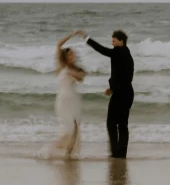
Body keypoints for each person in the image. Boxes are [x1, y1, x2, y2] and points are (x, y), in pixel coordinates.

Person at [77, 29, 134, 158]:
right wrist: (112, 88)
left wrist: (86, 38)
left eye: (114, 41)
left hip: (121, 94)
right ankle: (121, 153)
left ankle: (115, 152)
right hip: (127, 92)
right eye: (112, 41)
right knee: (122, 124)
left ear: (121, 41)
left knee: (111, 123)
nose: (112, 43)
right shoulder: (126, 52)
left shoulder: (118, 52)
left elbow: (101, 49)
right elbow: (124, 75)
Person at [49, 31, 86, 160]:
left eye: (73, 55)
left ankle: (69, 154)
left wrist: (75, 73)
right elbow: (59, 44)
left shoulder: (75, 69)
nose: (72, 56)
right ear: (65, 56)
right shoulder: (60, 66)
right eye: (70, 54)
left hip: (73, 100)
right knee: (67, 129)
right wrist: (72, 34)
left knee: (75, 129)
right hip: (63, 101)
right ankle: (50, 150)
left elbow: (82, 77)